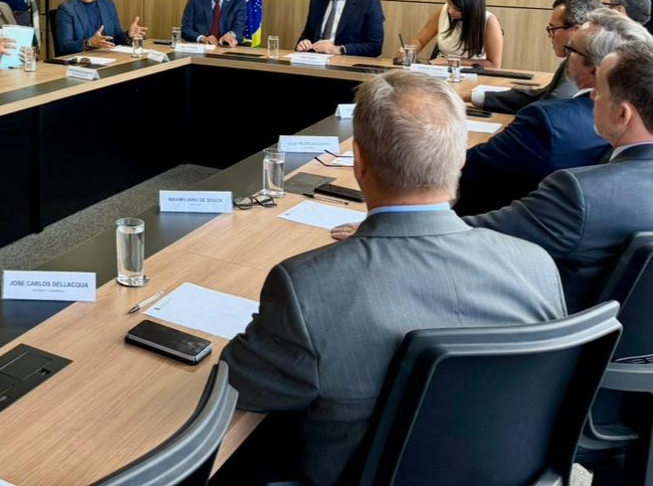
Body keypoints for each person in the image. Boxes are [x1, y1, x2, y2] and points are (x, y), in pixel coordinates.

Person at [219, 71, 564, 486]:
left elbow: (239, 384)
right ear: (460, 158)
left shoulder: (306, 288)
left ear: (358, 162)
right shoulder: (537, 266)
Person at [466, 41, 653, 312]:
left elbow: (466, 238)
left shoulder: (580, 194)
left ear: (623, 114)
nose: (591, 96)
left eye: (599, 91)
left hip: (549, 328)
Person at [455, 9, 652, 215]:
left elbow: (468, 167)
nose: (565, 58)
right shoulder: (639, 127)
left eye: (571, 50)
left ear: (596, 70)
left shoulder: (547, 122)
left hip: (495, 220)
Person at [474, 0, 599, 114]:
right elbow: (540, 96)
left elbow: (554, 107)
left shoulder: (583, 64)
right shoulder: (576, 59)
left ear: (576, 31)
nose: (550, 36)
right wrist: (477, 97)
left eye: (553, 29)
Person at [401, 0, 503, 68]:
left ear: (471, 10)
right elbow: (420, 40)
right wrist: (410, 51)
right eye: (449, 4)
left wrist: (452, 61)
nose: (450, 11)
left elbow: (494, 65)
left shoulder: (489, 21)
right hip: (441, 69)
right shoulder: (443, 11)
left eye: (457, 9)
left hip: (474, 72)